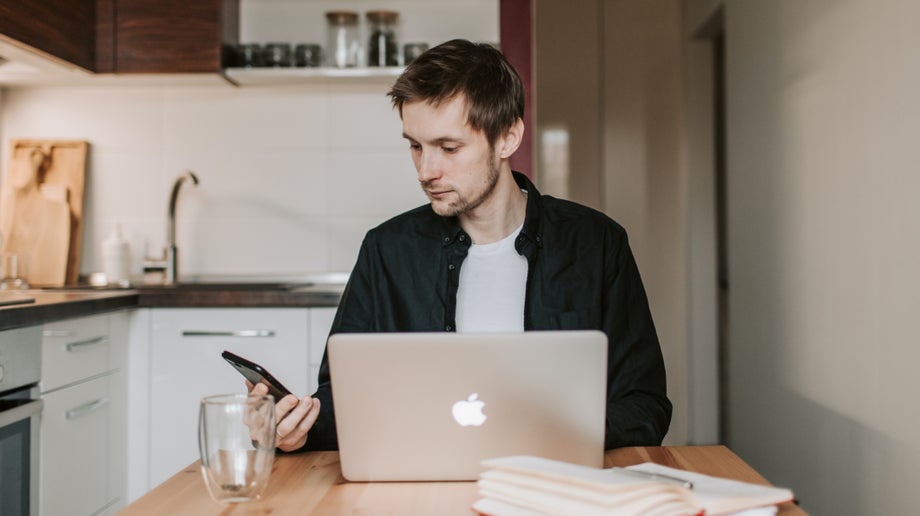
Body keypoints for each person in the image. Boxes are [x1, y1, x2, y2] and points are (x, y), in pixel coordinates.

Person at [248, 38, 672, 452]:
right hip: (418, 485)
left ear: (507, 137)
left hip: (552, 483)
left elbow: (645, 405)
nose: (426, 170)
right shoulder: (386, 250)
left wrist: (558, 431)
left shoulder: (596, 243)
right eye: (415, 146)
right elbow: (341, 398)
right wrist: (297, 428)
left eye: (448, 147)